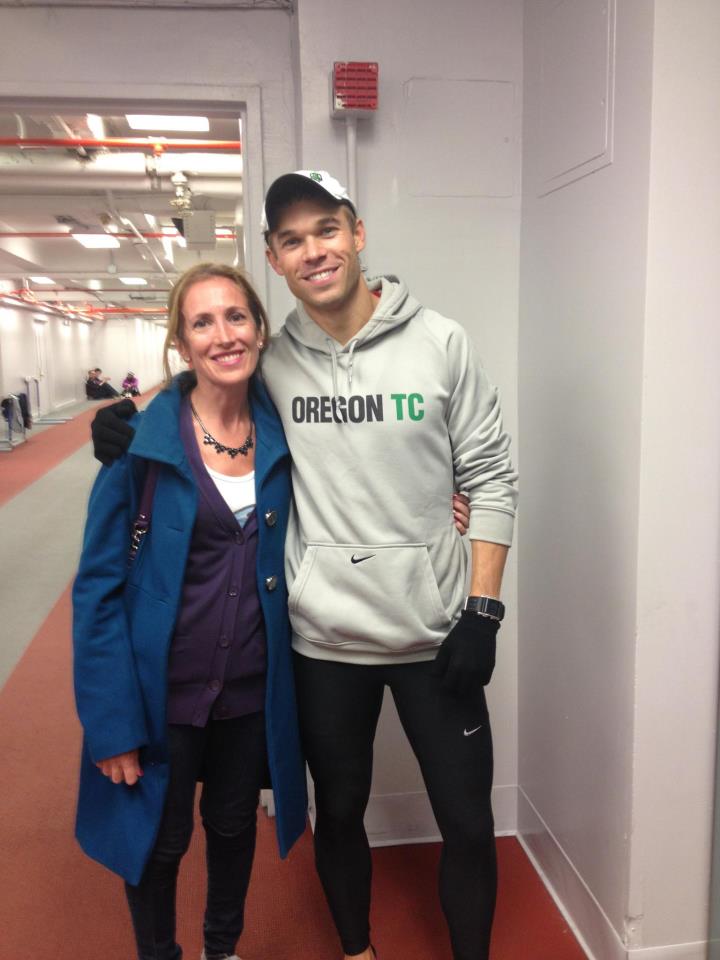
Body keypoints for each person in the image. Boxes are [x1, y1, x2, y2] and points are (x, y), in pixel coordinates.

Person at [91, 170, 517, 960]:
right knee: (339, 813)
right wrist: (128, 422)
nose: (313, 250)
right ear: (274, 259)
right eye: (292, 240)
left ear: (357, 233)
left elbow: (491, 476)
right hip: (324, 643)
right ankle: (357, 952)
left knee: (466, 820)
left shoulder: (442, 343)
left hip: (435, 635)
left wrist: (483, 611)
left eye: (326, 229)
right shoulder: (274, 363)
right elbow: (207, 380)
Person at [73, 263, 308, 960]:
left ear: (259, 329)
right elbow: (97, 590)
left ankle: (220, 949)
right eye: (202, 322)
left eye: (235, 316)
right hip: (161, 691)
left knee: (233, 827)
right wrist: (110, 722)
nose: (223, 335)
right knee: (161, 839)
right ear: (181, 343)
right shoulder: (140, 449)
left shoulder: (288, 435)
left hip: (249, 688)